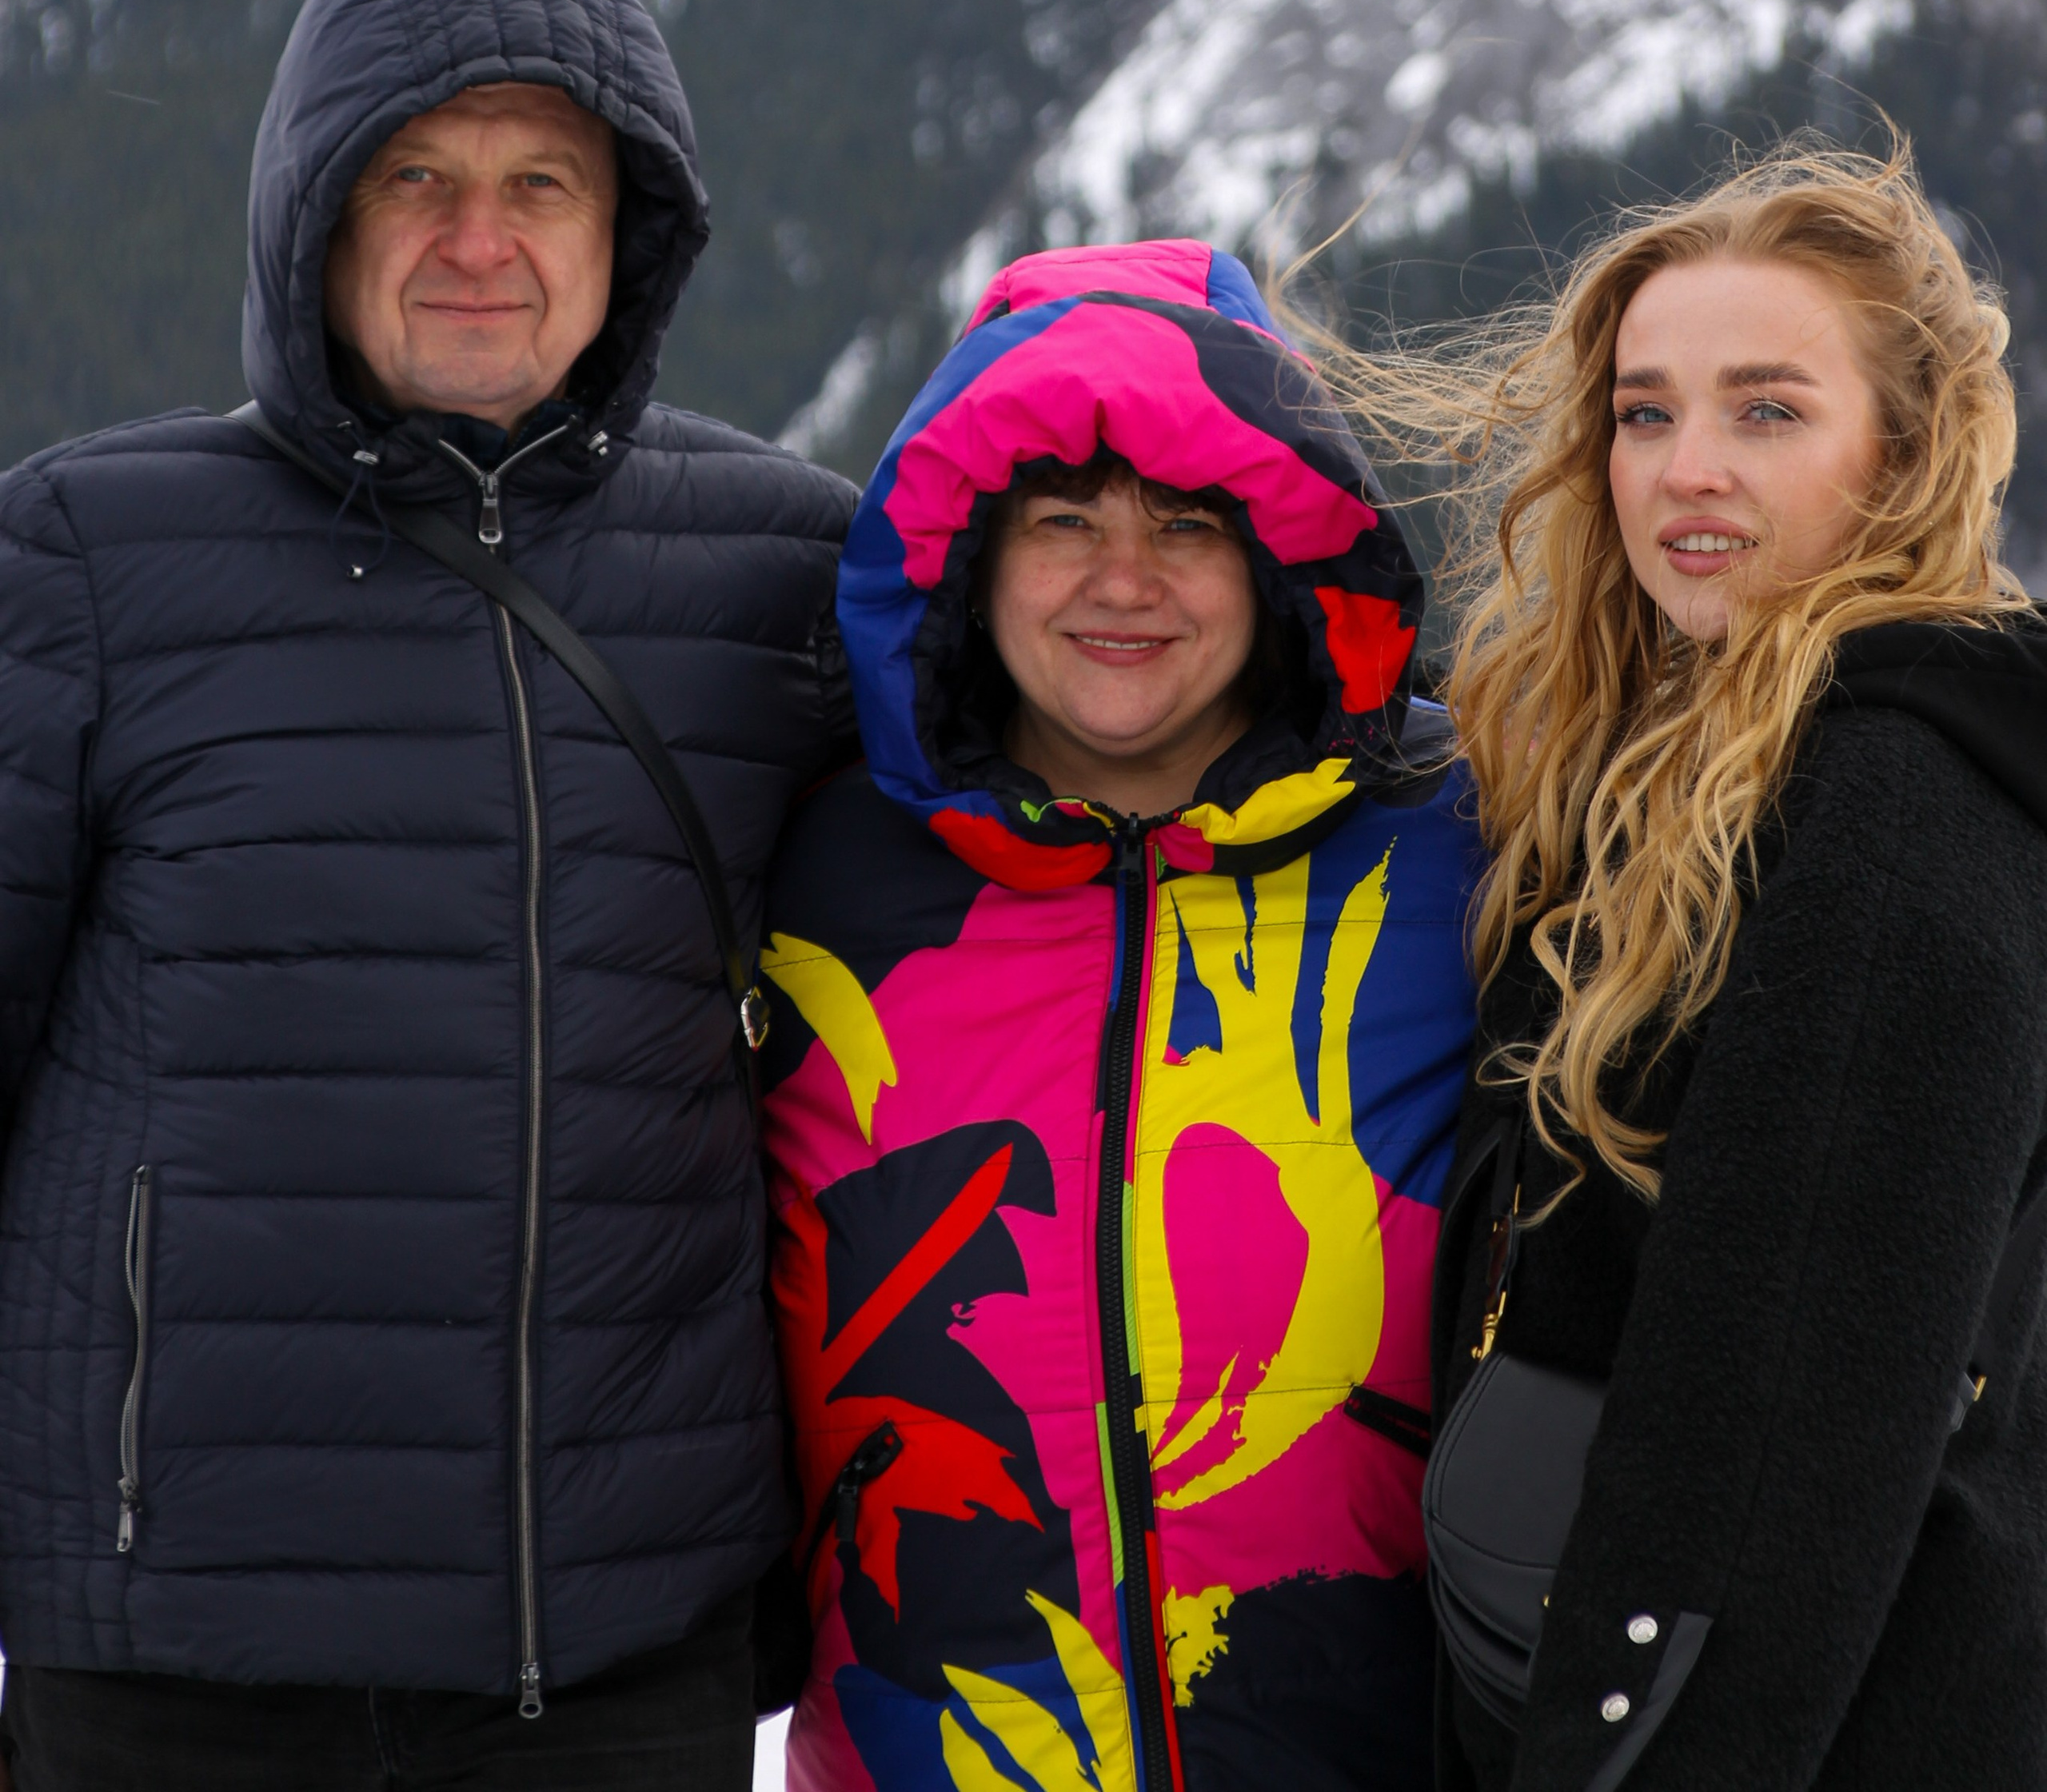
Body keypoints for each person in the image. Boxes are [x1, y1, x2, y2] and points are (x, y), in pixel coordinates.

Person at [0, 0, 856, 1791]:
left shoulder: (787, 575)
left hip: (617, 1648)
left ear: (630, 230)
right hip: (172, 1652)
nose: (482, 239)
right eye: (417, 179)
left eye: (540, 180)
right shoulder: (85, 558)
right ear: (312, 220)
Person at [756, 238, 1482, 1792]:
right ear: (966, 563)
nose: (1121, 581)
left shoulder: (1467, 843)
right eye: (1062, 522)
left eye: (1188, 524)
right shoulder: (815, 874)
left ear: (1282, 557)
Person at [1378, 143, 2047, 1789]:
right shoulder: (1687, 765)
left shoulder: (1893, 797)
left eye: (1764, 412)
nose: (1685, 469)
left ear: (1897, 453)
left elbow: (1792, 1413)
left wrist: (1624, 1744)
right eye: (1642, 411)